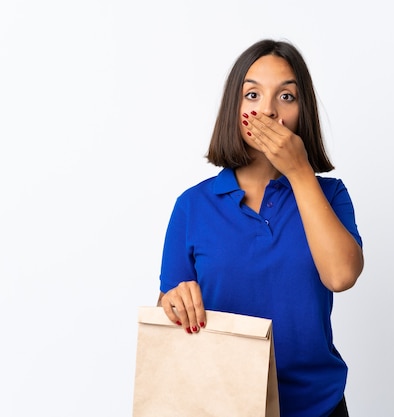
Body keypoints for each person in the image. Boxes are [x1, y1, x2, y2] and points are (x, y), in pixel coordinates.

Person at [156, 39, 364, 417]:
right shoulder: (192, 206)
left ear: (303, 112)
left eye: (286, 97)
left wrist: (300, 171)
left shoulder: (330, 195)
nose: (267, 111)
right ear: (234, 109)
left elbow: (341, 275)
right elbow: (170, 310)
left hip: (319, 405)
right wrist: (173, 303)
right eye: (252, 95)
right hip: (221, 404)